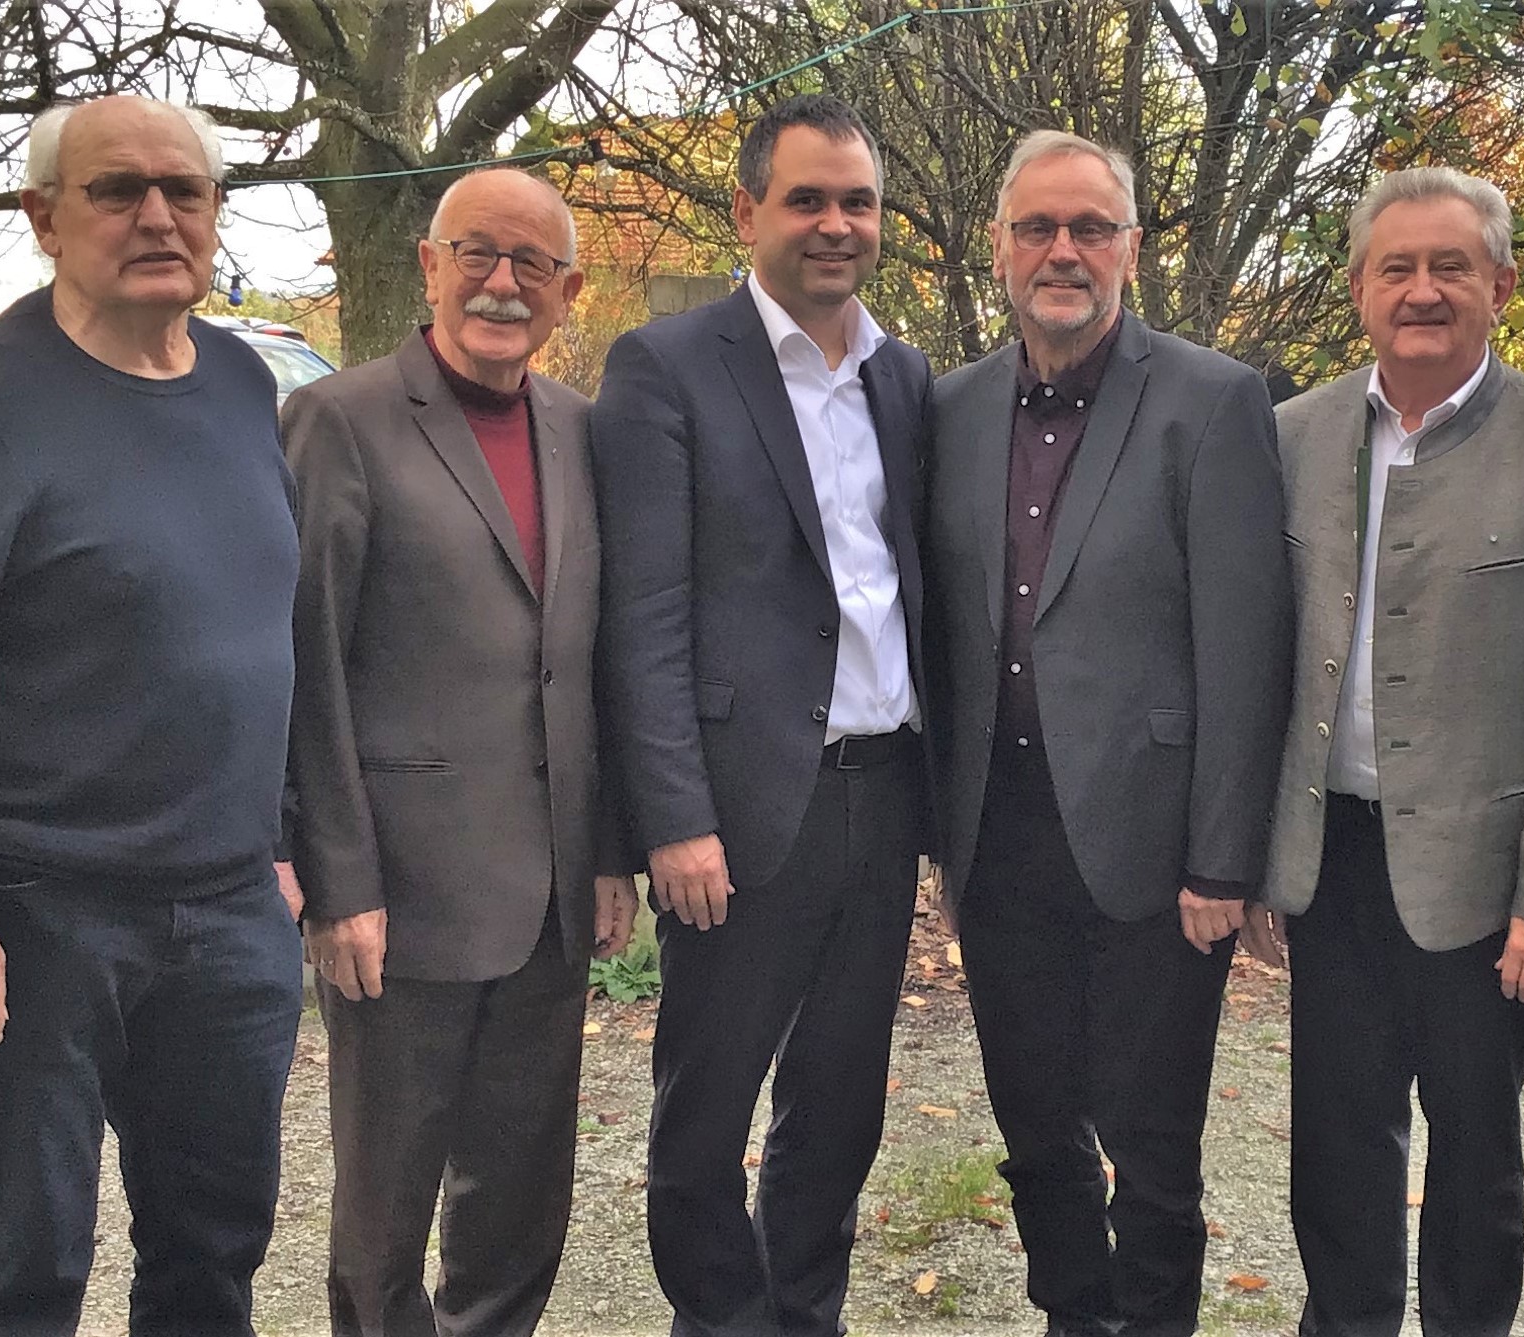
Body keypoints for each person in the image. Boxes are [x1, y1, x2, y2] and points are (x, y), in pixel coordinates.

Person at [1252, 166, 1524, 1336]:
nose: (1422, 291)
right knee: (1335, 1145)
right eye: (1397, 268)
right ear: (1361, 287)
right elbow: (1262, 658)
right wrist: (1269, 855)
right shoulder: (1290, 436)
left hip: (1489, 881)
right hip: (1335, 862)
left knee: (1476, 1153)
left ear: (1501, 284)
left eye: (1451, 267)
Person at [923, 129, 1293, 1337]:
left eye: (1091, 228)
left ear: (1133, 247)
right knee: (1035, 1133)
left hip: (1154, 845)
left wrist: (1223, 860)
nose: (1064, 251)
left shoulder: (1213, 398)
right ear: (1001, 247)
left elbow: (1245, 645)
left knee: (1155, 1146)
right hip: (998, 838)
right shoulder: (952, 407)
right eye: (1040, 228)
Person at [0, 95, 304, 1337]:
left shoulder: (247, 384)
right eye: (116, 190)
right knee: (26, 1267)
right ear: (45, 217)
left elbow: (269, 631)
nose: (157, 214)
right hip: (41, 919)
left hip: (228, 916)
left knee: (214, 1256)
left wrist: (288, 839)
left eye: (185, 189)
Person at [589, 94, 933, 1337]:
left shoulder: (905, 377)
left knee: (839, 1098)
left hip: (883, 792)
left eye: (858, 202)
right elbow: (645, 618)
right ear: (747, 211)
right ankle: (720, 1319)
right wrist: (672, 818)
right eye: (808, 199)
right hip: (737, 806)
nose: (836, 225)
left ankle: (808, 1310)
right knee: (706, 1104)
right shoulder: (667, 365)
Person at [281, 166, 636, 1337]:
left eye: (531, 262)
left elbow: (596, 661)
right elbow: (308, 659)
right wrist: (337, 880)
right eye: (476, 252)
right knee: (384, 1212)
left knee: (521, 1201)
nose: (501, 281)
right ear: (430, 264)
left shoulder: (586, 432)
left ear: (568, 288)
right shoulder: (342, 418)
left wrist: (608, 851)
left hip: (549, 893)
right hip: (403, 896)